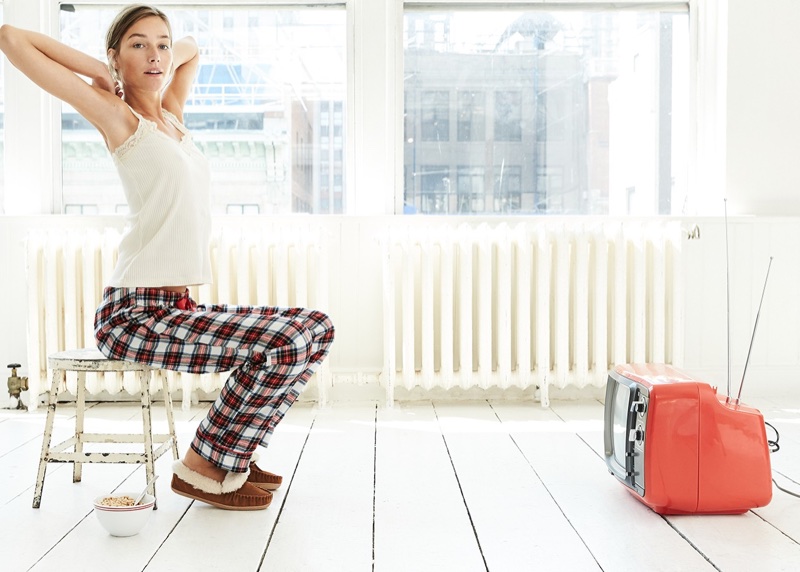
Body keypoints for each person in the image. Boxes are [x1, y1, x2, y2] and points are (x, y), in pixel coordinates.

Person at [0, 4, 335, 511]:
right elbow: (11, 38)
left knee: (316, 327)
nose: (156, 54)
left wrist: (153, 53)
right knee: (286, 341)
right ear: (116, 56)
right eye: (138, 44)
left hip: (174, 308)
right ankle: (207, 462)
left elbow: (193, 48)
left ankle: (230, 453)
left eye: (161, 43)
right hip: (132, 314)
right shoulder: (117, 116)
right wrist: (101, 71)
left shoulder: (172, 116)